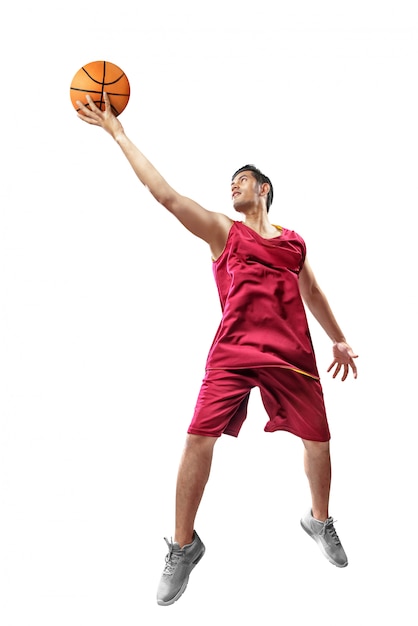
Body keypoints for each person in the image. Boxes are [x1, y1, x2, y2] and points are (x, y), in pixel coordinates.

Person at [76, 92, 358, 606]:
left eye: (243, 180)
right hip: (232, 351)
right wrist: (118, 134)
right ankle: (183, 546)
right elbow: (165, 194)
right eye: (232, 183)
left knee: (318, 443)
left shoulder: (293, 243)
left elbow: (311, 292)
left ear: (265, 189)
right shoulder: (222, 232)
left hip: (292, 356)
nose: (234, 186)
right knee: (197, 439)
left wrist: (338, 336)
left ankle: (319, 521)